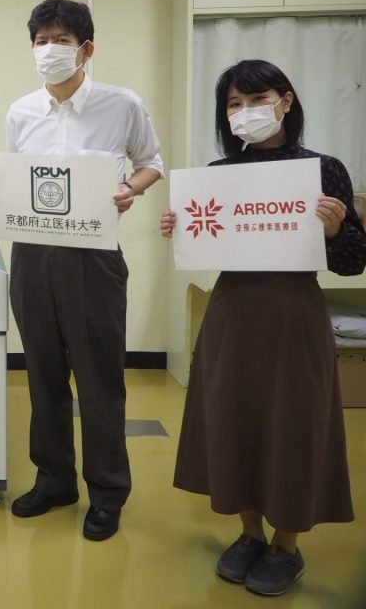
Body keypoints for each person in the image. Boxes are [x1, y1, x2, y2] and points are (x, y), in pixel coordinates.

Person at [160, 59, 364, 596]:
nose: (245, 112)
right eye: (234, 104)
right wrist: (181, 227)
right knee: (234, 419)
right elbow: (207, 244)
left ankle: (286, 546)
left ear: (286, 102)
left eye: (257, 100)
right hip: (233, 312)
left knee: (293, 425)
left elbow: (352, 261)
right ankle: (249, 533)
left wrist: (337, 230)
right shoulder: (218, 174)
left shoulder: (323, 170)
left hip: (293, 313)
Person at [0, 0, 164, 541]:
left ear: (86, 50)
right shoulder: (21, 111)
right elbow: (16, 176)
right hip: (32, 255)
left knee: (99, 378)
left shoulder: (120, 104)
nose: (49, 50)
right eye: (41, 41)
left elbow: (151, 163)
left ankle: (107, 493)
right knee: (42, 375)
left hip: (93, 256)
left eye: (61, 40)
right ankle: (54, 480)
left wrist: (130, 188)